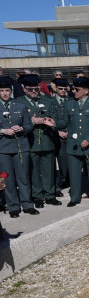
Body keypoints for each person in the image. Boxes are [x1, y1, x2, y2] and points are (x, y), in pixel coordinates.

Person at [58, 77, 89, 207]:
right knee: (73, 173)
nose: (74, 91)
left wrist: (88, 140)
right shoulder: (69, 103)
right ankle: (75, 197)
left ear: (85, 90)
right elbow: (64, 121)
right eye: (73, 89)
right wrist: (53, 124)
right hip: (73, 145)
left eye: (77, 89)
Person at [19, 74, 63, 208]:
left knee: (49, 169)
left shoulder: (48, 100)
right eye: (30, 89)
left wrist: (53, 122)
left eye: (36, 89)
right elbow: (16, 122)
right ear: (24, 89)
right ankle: (37, 196)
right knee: (33, 171)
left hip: (47, 140)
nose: (33, 92)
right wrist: (31, 121)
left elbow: (58, 118)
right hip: (30, 141)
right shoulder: (19, 102)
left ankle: (50, 195)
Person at [0, 76, 37, 217]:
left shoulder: (20, 106)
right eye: (2, 90)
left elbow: (29, 125)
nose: (4, 93)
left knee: (23, 177)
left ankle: (27, 204)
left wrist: (21, 129)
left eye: (7, 90)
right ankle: (13, 206)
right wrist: (2, 131)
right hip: (3, 148)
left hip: (20, 146)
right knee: (7, 178)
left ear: (11, 91)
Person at [51, 78, 70, 191]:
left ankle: (69, 178)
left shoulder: (70, 101)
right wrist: (58, 132)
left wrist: (68, 131)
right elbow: (49, 119)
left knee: (70, 158)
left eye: (64, 89)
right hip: (56, 134)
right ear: (55, 89)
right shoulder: (50, 102)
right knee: (61, 157)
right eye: (60, 89)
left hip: (69, 134)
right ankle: (63, 178)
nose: (63, 91)